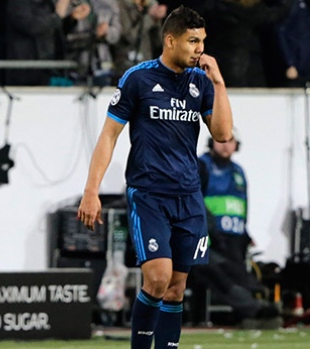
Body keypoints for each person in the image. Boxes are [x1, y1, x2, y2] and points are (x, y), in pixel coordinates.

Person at [77, 6, 233, 349]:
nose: (199, 49)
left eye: (202, 41)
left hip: (189, 198)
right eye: (193, 41)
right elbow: (108, 136)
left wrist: (219, 83)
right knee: (158, 278)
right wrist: (92, 190)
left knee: (177, 287)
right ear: (170, 40)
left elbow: (223, 135)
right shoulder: (138, 78)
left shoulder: (201, 83)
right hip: (149, 195)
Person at [191, 134, 280, 326]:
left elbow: (242, 206)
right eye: (220, 140)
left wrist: (246, 235)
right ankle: (254, 310)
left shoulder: (238, 171)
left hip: (234, 239)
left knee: (238, 274)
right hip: (208, 239)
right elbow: (194, 200)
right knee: (219, 272)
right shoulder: (201, 166)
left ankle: (255, 311)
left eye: (230, 141)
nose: (225, 145)